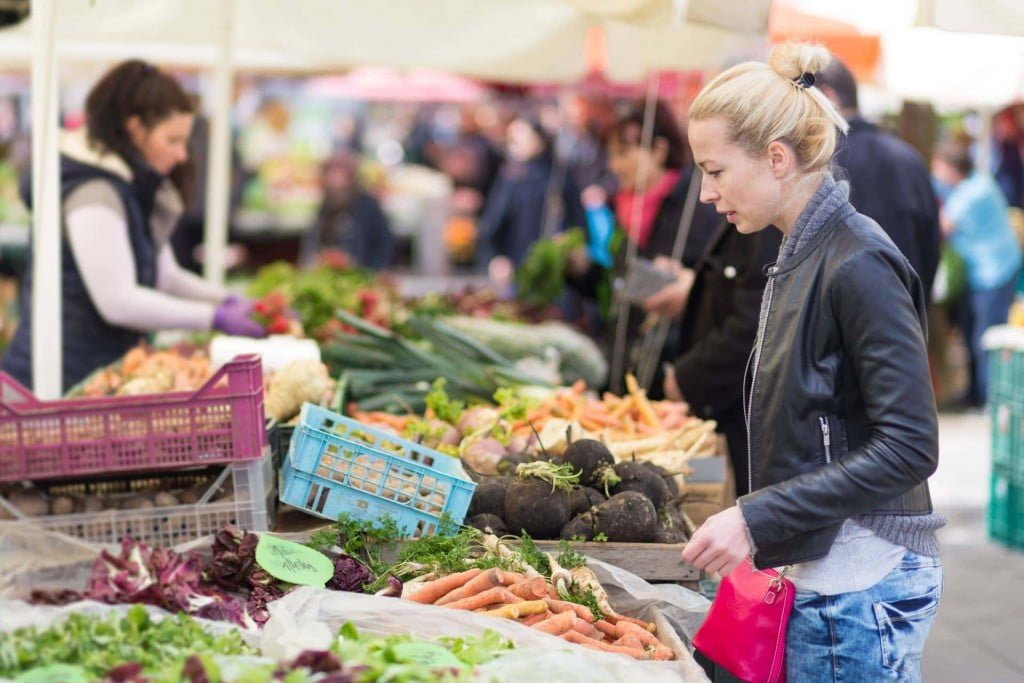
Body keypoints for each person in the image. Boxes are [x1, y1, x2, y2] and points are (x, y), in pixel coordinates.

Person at [680, 44, 945, 682]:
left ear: (777, 157)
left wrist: (755, 515)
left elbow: (910, 445)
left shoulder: (858, 261)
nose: (708, 193)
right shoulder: (803, 251)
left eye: (715, 171)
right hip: (829, 580)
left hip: (859, 589)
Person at [2, 59, 263, 393]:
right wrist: (213, 317)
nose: (183, 155)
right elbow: (118, 301)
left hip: (96, 374)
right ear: (135, 128)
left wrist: (229, 300)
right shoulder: (94, 193)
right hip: (56, 383)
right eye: (172, 140)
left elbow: (165, 274)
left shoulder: (126, 185)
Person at [566, 101, 720, 393]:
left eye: (623, 153)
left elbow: (717, 293)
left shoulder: (699, 208)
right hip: (627, 371)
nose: (614, 165)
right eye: (611, 155)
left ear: (659, 151)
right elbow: (622, 286)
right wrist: (581, 270)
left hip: (674, 378)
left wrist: (688, 289)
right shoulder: (628, 208)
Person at [645, 206, 781, 497]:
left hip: (742, 419)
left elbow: (754, 325)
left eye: (716, 171)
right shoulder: (754, 220)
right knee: (708, 497)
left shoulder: (773, 227)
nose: (707, 193)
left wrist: (686, 379)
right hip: (723, 413)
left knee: (725, 500)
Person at [816, 58, 942, 303]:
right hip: (906, 313)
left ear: (829, 97)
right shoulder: (909, 157)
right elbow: (932, 244)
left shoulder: (821, 162)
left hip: (843, 320)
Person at [933, 139, 1022, 407]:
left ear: (951, 169)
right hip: (987, 271)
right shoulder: (973, 183)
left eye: (937, 168)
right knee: (973, 332)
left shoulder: (973, 192)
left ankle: (988, 399)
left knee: (985, 337)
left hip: (994, 273)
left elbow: (943, 227)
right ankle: (975, 393)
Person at [475, 115, 585, 271]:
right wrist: (494, 257)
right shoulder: (509, 178)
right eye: (511, 139)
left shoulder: (559, 176)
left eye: (519, 138)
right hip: (517, 264)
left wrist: (569, 242)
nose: (513, 144)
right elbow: (492, 224)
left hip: (557, 267)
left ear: (539, 140)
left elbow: (578, 222)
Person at [298, 152, 394, 270]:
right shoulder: (326, 204)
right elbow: (314, 243)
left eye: (341, 175)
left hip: (363, 272)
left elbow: (384, 245)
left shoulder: (368, 205)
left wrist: (370, 270)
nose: (336, 181)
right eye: (331, 175)